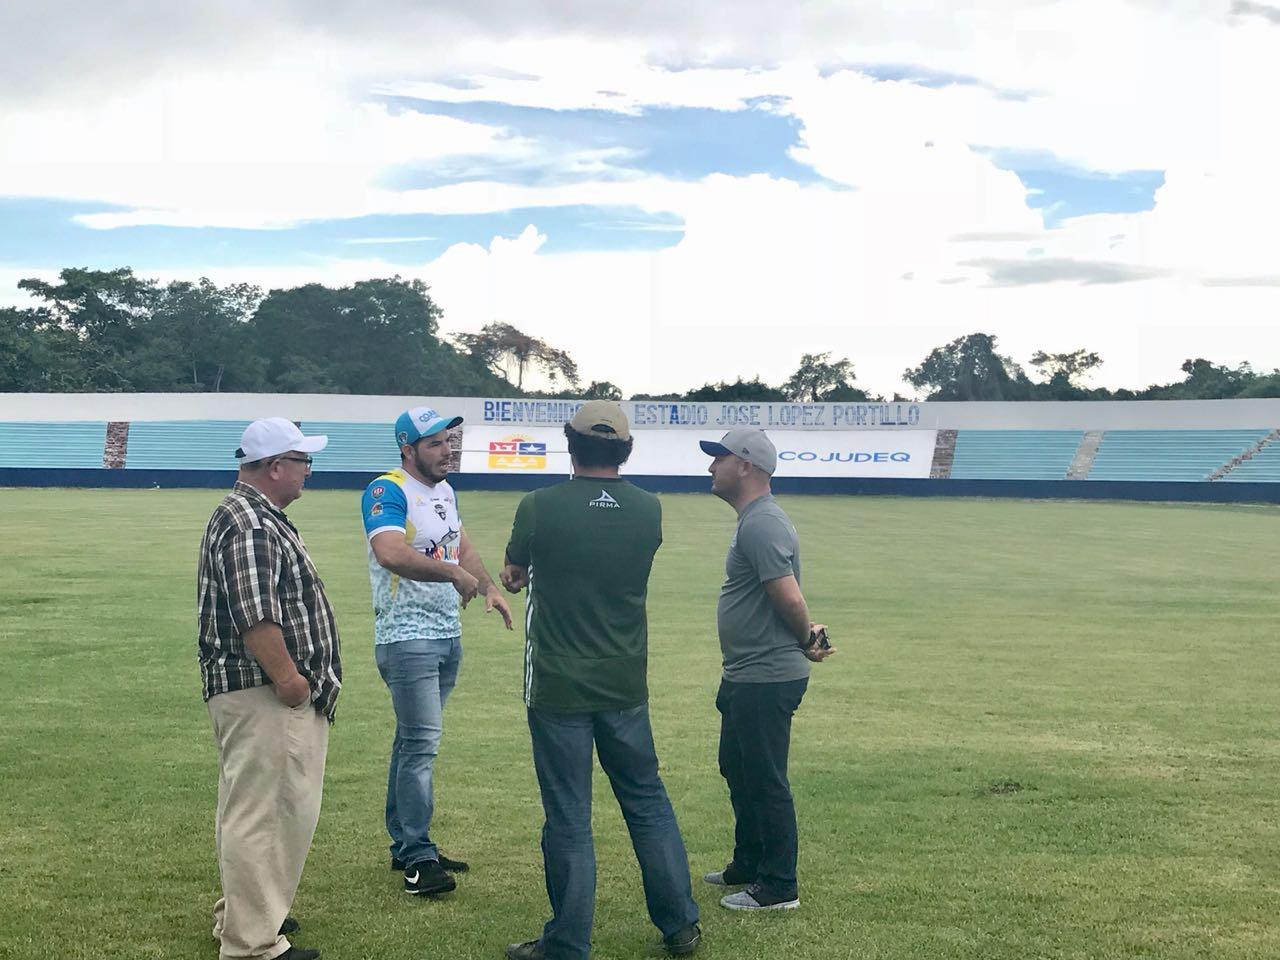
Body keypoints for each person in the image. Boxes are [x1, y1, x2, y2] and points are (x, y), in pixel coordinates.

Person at [500, 400, 701, 960]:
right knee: (648, 802)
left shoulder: (539, 505)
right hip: (624, 681)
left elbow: (516, 572)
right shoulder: (648, 509)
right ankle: (680, 924)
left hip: (558, 683)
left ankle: (566, 942)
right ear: (626, 450)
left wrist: (519, 575)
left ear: (571, 444)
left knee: (568, 815)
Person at [197, 417, 343, 960]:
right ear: (275, 466)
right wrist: (291, 681)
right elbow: (256, 616)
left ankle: (246, 918)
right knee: (267, 814)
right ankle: (253, 944)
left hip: (253, 691)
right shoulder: (252, 524)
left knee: (250, 810)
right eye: (304, 461)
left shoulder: (249, 515)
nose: (309, 470)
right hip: (264, 692)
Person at [361, 406, 513, 897]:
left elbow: (460, 545)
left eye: (449, 441)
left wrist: (487, 586)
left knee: (411, 743)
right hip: (406, 637)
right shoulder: (387, 489)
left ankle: (408, 844)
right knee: (421, 744)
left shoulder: (444, 491)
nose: (448, 450)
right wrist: (451, 574)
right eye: (435, 444)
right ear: (408, 449)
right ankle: (418, 857)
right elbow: (389, 552)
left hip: (447, 634)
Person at [698, 427, 836, 912]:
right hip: (745, 672)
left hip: (766, 675)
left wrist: (806, 641)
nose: (711, 466)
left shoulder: (761, 523)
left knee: (764, 777)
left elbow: (787, 594)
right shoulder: (754, 520)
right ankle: (749, 862)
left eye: (719, 458)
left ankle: (778, 886)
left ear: (745, 466)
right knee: (737, 767)